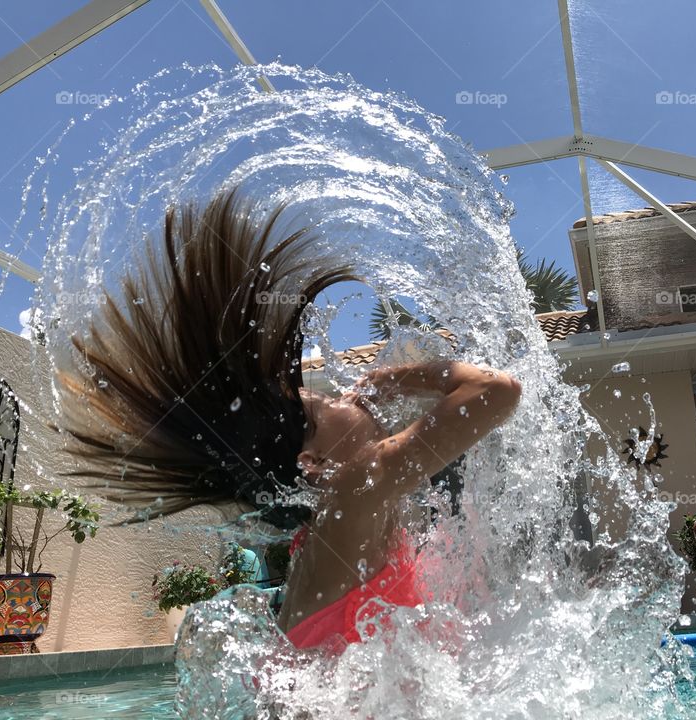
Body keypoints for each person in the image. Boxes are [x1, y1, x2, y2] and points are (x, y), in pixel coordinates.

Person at [56, 187, 522, 652]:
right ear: (313, 462)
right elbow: (494, 390)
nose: (345, 395)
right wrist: (399, 378)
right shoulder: (353, 488)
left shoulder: (332, 524)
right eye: (323, 406)